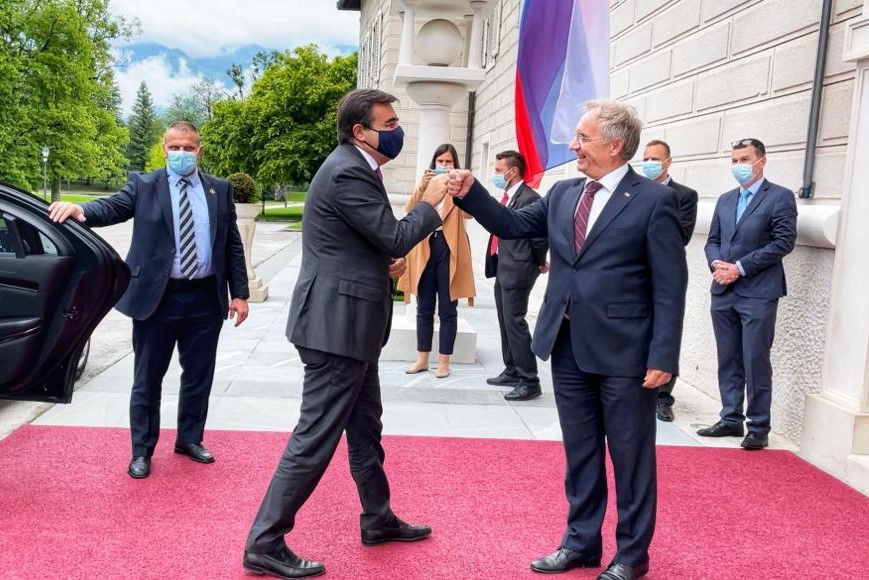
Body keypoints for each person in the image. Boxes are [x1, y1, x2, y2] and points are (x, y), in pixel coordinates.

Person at [446, 100, 687, 580]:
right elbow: (513, 226)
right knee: (580, 452)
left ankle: (632, 556)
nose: (573, 145)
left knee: (631, 458)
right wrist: (472, 193)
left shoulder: (654, 201)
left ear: (614, 145)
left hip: (627, 352)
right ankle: (580, 543)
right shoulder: (561, 193)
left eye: (582, 137)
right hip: (568, 344)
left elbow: (670, 285)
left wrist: (664, 356)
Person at [242, 89, 446, 579]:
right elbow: (395, 234)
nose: (397, 131)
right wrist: (433, 204)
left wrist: (385, 263)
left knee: (365, 430)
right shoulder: (348, 169)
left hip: (349, 324)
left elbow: (364, 242)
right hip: (336, 328)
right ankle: (264, 541)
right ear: (360, 131)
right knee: (314, 437)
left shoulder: (354, 167)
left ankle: (377, 518)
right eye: (390, 122)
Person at [48, 121, 250, 479]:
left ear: (199, 151)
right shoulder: (144, 185)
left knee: (199, 375)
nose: (182, 154)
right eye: (175, 147)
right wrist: (82, 211)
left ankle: (189, 439)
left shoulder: (219, 190)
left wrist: (241, 294)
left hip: (205, 298)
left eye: (188, 148)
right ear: (164, 149)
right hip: (158, 299)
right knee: (147, 378)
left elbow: (231, 243)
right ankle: (142, 450)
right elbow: (112, 207)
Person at [698, 138, 797, 450]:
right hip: (723, 290)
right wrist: (717, 263)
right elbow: (712, 239)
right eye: (734, 160)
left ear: (761, 161)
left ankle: (758, 426)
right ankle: (730, 418)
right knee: (728, 358)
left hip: (757, 292)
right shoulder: (726, 200)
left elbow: (783, 242)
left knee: (755, 359)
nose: (738, 165)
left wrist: (739, 268)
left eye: (744, 159)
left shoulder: (780, 197)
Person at [398, 143, 475, 379]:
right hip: (424, 245)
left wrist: (459, 189)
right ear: (434, 163)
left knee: (448, 307)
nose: (443, 165)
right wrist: (423, 187)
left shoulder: (458, 187)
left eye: (448, 162)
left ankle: (444, 362)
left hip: (448, 246)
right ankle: (422, 358)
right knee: (424, 307)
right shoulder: (426, 184)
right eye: (440, 161)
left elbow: (469, 214)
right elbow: (410, 210)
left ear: (455, 164)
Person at [640, 140, 698, 422]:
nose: (649, 163)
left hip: (664, 274)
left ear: (668, 162)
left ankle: (663, 397)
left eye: (655, 158)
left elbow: (682, 235)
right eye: (646, 158)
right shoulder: (636, 190)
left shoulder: (684, 195)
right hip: (636, 274)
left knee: (665, 332)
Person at [484, 150, 549, 401]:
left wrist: (536, 262)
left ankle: (529, 379)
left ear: (513, 172)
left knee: (515, 321)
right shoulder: (509, 197)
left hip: (519, 269)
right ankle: (511, 369)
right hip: (504, 266)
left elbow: (540, 235)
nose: (496, 175)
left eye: (499, 171)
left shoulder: (531, 198)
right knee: (504, 319)